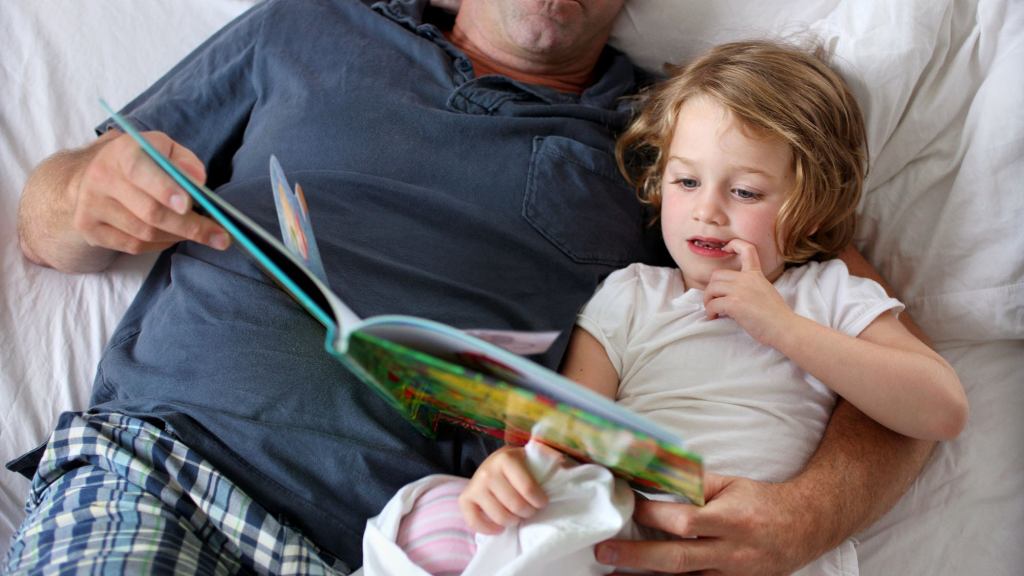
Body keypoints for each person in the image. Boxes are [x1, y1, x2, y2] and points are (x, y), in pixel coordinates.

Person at [7, 1, 937, 574]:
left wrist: (810, 516)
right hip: (167, 470)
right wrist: (88, 194)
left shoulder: (677, 140)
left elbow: (872, 335)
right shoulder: (306, 25)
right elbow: (43, 226)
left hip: (409, 547)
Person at [371, 39, 968, 575]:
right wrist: (517, 470)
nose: (708, 211)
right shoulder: (632, 293)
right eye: (686, 182)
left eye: (745, 192)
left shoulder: (828, 294)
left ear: (810, 208)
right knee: (432, 519)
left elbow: (940, 409)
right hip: (616, 540)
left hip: (748, 555)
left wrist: (782, 327)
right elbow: (569, 426)